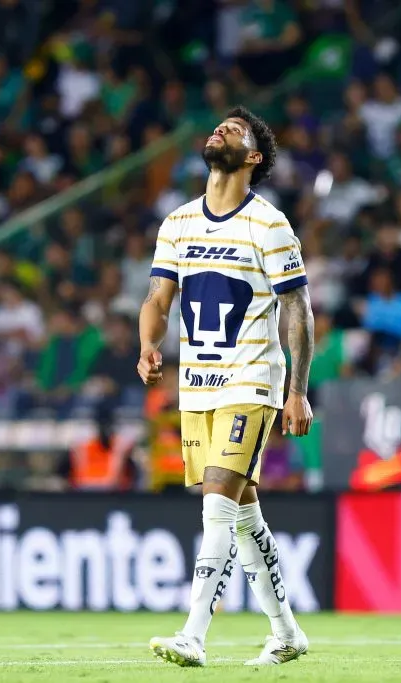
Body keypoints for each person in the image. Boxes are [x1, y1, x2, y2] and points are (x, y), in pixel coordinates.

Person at [139, 106, 313, 667]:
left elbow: (298, 309)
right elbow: (157, 298)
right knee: (242, 515)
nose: (219, 129)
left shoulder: (269, 224)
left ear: (253, 156)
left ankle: (193, 634)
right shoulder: (178, 222)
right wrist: (147, 344)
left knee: (216, 500)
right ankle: (286, 633)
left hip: (252, 380)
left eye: (234, 130)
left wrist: (297, 389)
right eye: (218, 125)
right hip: (198, 386)